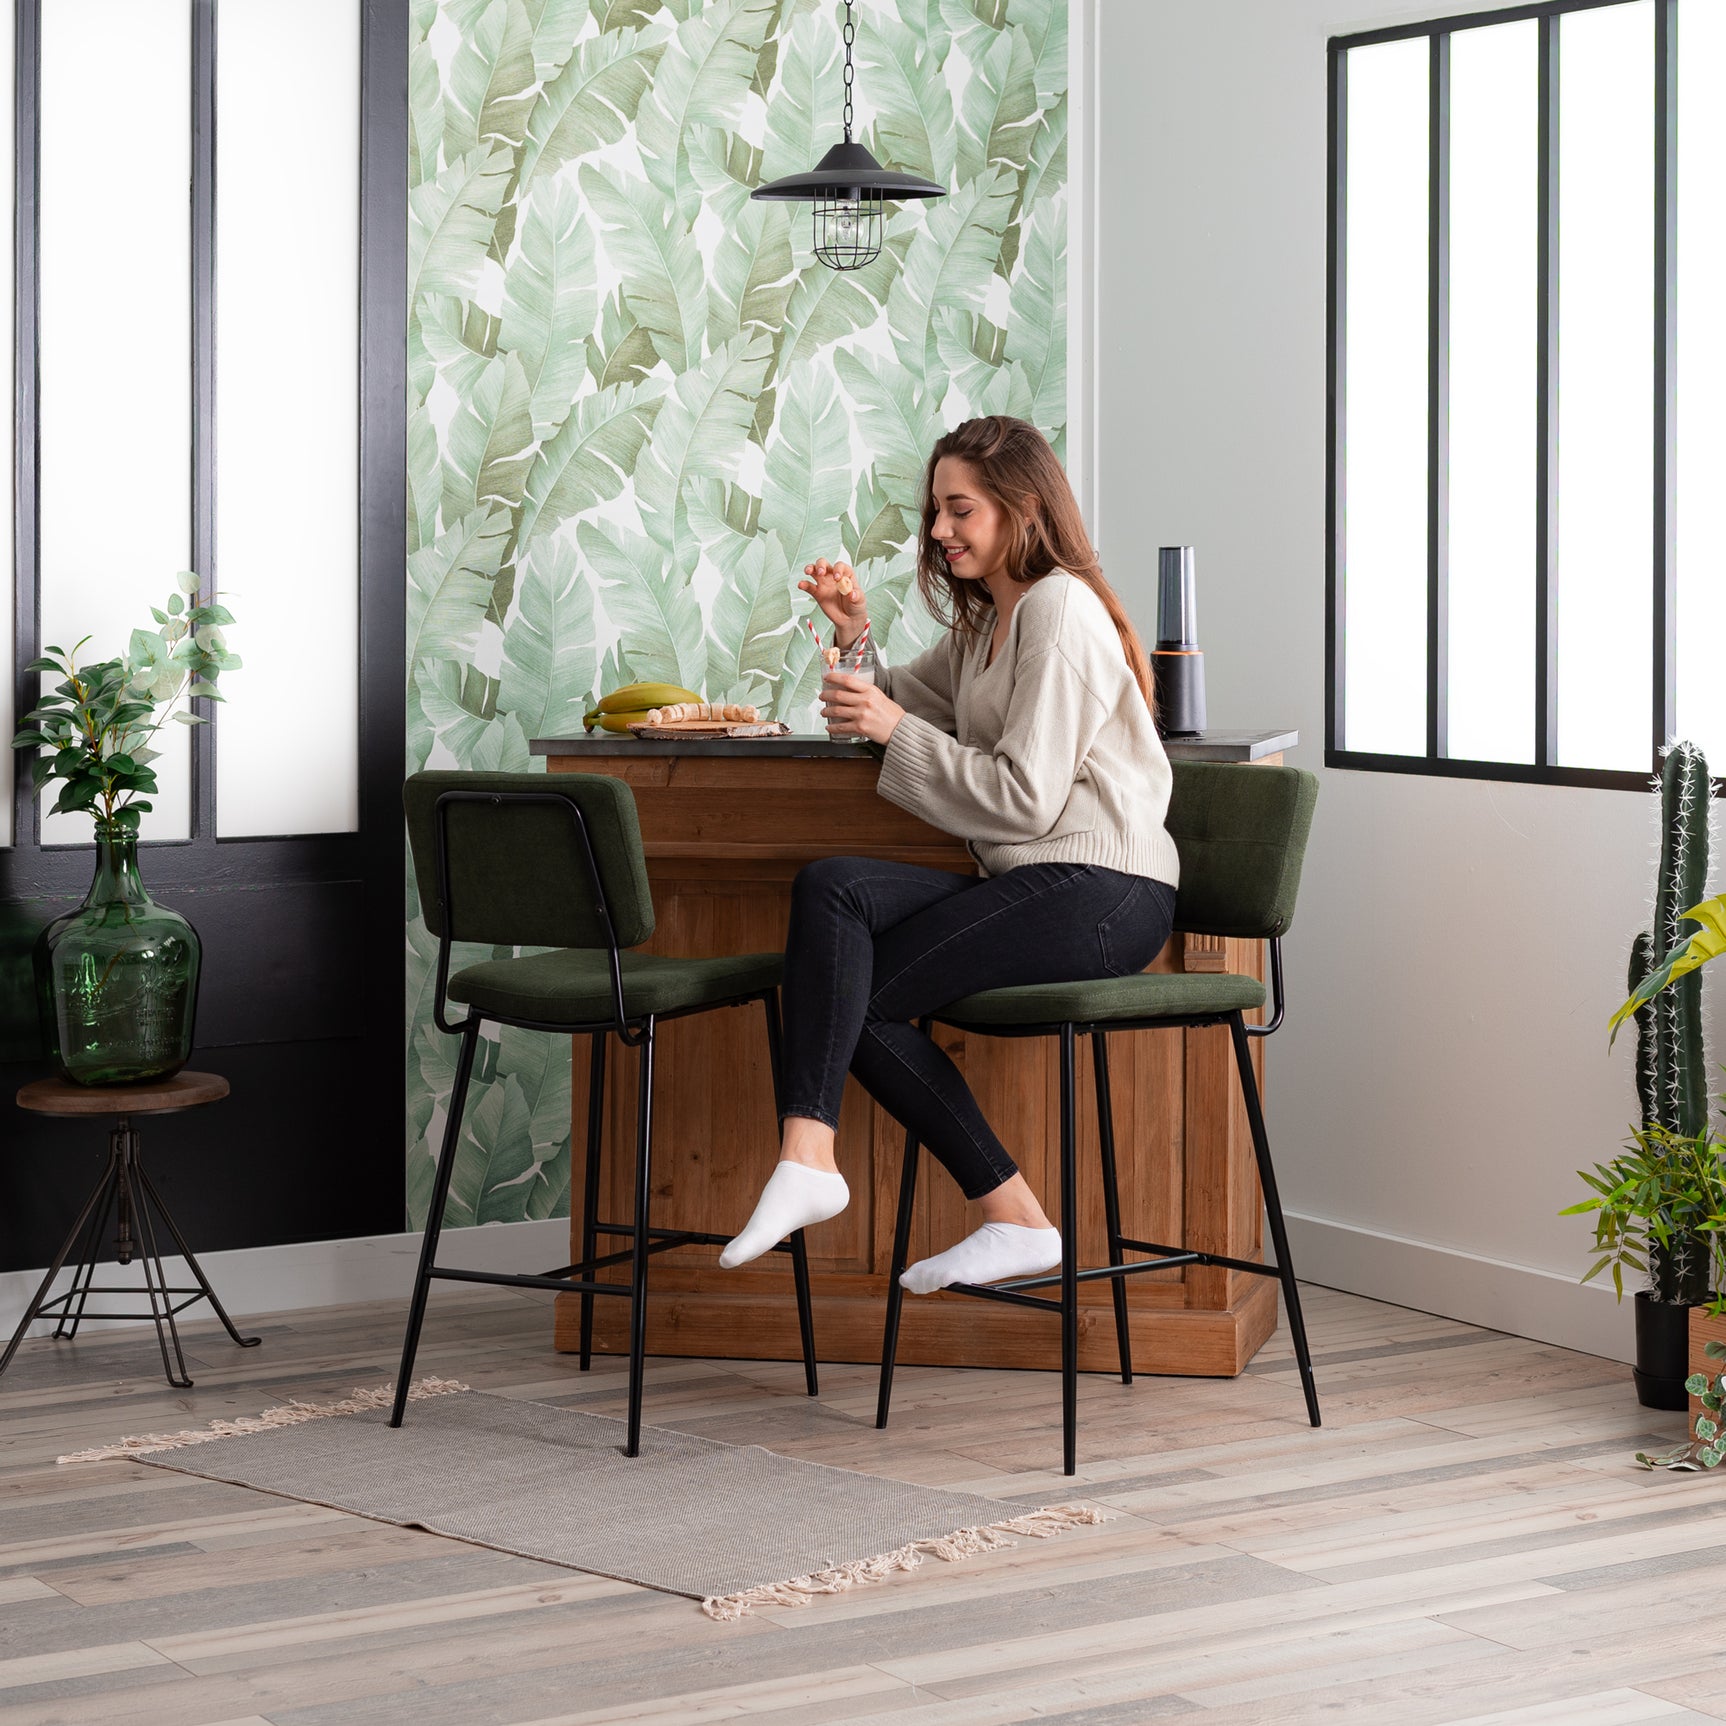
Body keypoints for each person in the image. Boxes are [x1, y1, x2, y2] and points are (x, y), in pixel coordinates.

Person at [719, 415, 1180, 1294]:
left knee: (854, 998)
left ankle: (986, 1212)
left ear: (1022, 506)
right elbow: (897, 699)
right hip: (1041, 882)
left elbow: (1023, 798)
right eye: (936, 511)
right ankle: (838, 1164)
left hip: (1106, 893)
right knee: (834, 891)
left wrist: (891, 726)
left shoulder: (1057, 611)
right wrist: (855, 634)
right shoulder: (988, 624)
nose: (938, 531)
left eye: (959, 510)